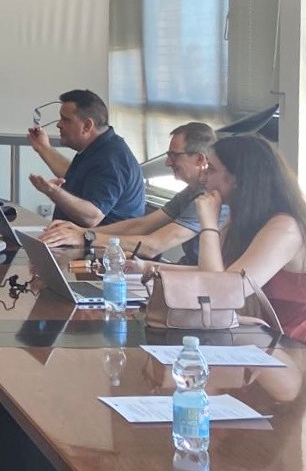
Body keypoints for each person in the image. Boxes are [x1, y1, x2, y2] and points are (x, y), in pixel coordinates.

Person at [176, 134, 306, 340]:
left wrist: (208, 225)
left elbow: (218, 293)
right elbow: (216, 272)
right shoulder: (243, 220)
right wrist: (151, 269)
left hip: (291, 346)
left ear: (238, 178)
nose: (203, 177)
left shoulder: (285, 228)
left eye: (211, 169)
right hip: (257, 338)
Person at [41, 122, 217, 262]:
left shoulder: (208, 198)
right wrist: (83, 231)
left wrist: (86, 237)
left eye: (174, 155)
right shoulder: (190, 192)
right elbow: (141, 225)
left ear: (200, 159)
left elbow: (154, 246)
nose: (168, 163)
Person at [27, 89, 145, 226]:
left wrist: (53, 191)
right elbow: (76, 177)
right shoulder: (100, 146)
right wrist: (43, 148)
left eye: (65, 120)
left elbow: (92, 217)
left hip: (102, 239)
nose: (58, 124)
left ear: (87, 126)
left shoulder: (111, 159)